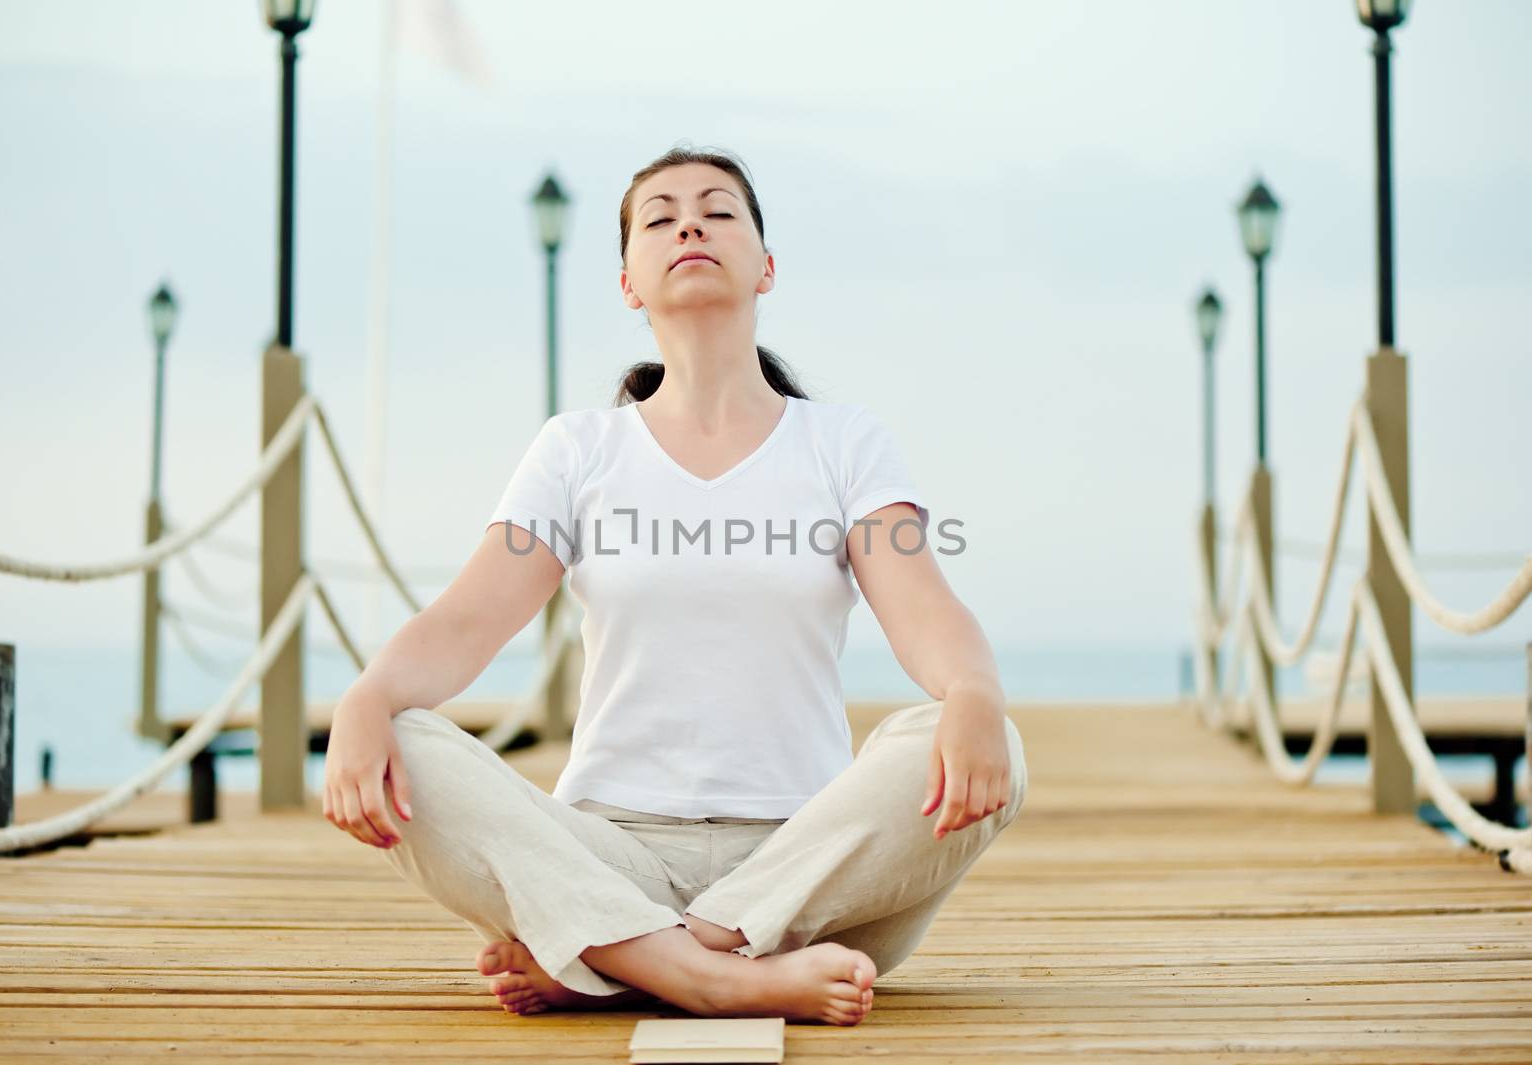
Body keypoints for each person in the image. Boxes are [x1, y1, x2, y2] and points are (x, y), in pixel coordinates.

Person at [322, 145, 1027, 1027]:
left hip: (807, 875)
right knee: (408, 741)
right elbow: (466, 621)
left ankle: (617, 958)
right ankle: (713, 976)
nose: (689, 223)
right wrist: (367, 697)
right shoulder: (578, 450)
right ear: (629, 282)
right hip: (606, 853)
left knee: (987, 732)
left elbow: (926, 612)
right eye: (659, 216)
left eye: (718, 209)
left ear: (766, 267)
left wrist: (973, 690)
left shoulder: (842, 443)